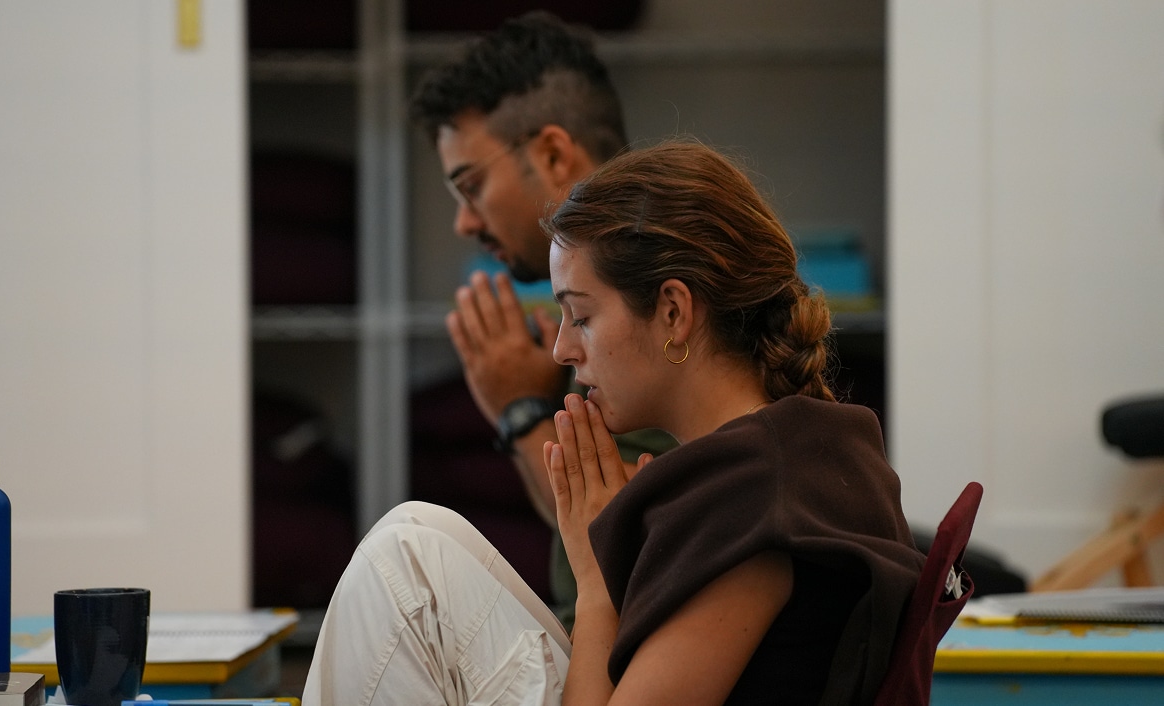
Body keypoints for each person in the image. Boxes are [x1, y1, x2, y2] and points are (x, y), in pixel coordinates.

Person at [302, 141, 925, 706]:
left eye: (582, 317)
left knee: (404, 556)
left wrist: (596, 583)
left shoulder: (752, 498)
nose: (561, 351)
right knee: (416, 540)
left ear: (674, 311)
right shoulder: (807, 449)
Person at [407, 11, 677, 629]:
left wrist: (519, 409)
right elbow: (579, 517)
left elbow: (624, 530)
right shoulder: (620, 277)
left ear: (554, 153)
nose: (465, 223)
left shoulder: (645, 289)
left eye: (471, 186)